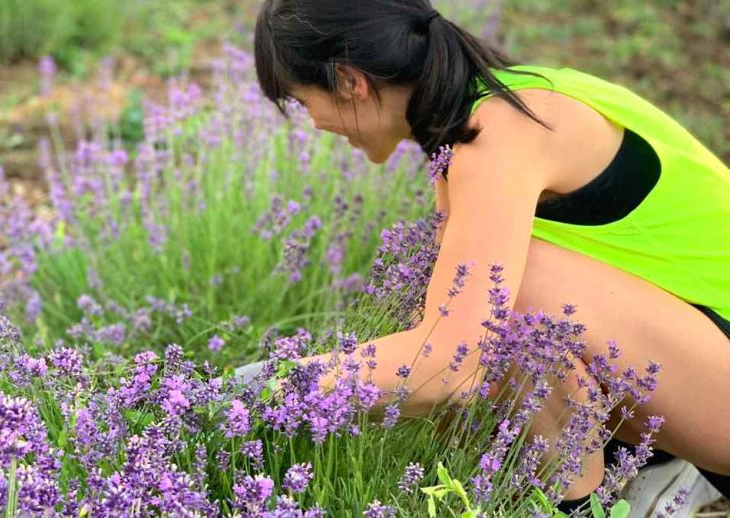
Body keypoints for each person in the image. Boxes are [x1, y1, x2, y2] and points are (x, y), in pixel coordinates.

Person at [236, 0, 730, 514]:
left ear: (348, 82)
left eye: (300, 101)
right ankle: (641, 467)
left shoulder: (502, 133)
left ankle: (587, 503)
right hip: (702, 357)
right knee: (469, 304)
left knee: (502, 299)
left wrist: (267, 391)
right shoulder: (504, 99)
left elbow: (450, 365)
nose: (313, 124)